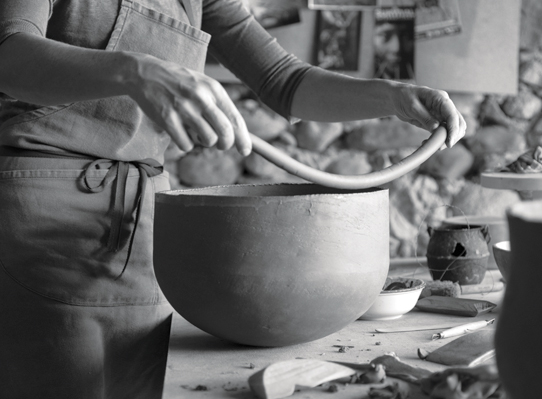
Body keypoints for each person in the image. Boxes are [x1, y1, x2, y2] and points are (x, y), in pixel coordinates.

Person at [0, 1, 466, 398]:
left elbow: (284, 79)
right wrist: (137, 70)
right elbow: (9, 54)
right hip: (48, 212)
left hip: (142, 215)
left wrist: (395, 96)